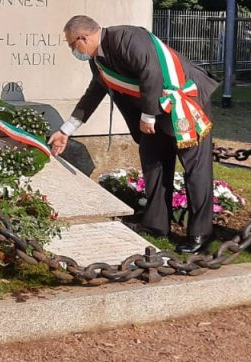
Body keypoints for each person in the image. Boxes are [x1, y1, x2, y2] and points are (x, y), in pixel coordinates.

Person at [48, 15, 219, 255]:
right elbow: (94, 93)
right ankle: (157, 224)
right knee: (153, 164)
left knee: (195, 169)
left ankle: (201, 233)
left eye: (71, 44)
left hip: (184, 102)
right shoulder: (98, 59)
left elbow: (152, 71)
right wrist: (66, 130)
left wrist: (148, 116)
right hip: (151, 111)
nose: (72, 50)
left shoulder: (128, 38)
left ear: (83, 37)